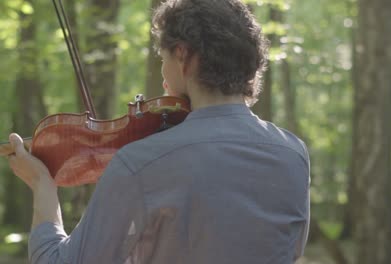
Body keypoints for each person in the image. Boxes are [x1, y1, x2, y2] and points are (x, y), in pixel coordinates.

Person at [8, 0, 310, 263]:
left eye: (163, 59)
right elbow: (289, 250)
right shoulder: (294, 154)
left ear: (182, 55)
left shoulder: (140, 162)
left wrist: (43, 187)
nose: (163, 76)